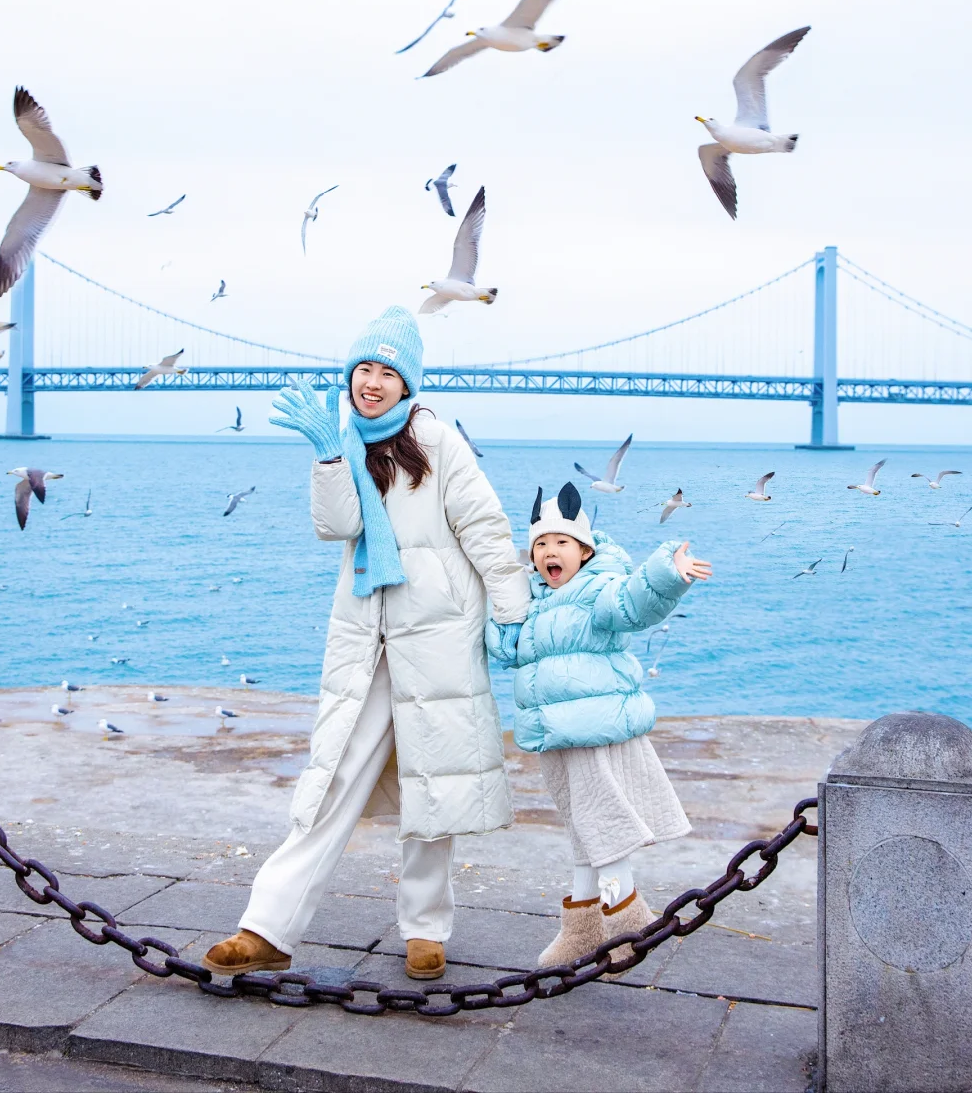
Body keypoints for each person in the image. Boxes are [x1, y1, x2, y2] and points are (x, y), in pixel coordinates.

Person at [203, 306, 529, 982]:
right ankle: (268, 927)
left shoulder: (437, 442)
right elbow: (337, 526)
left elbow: (486, 528)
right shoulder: (346, 440)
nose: (372, 383)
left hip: (437, 637)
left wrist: (510, 608)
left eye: (386, 372)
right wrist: (327, 456)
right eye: (363, 370)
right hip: (367, 639)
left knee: (432, 786)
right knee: (331, 780)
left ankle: (425, 930)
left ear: (409, 384)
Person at [486, 481, 711, 966]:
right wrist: (501, 606)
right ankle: (583, 928)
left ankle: (631, 921)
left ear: (584, 551)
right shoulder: (534, 598)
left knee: (601, 824)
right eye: (541, 545)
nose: (550, 551)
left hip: (594, 728)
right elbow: (504, 651)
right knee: (583, 830)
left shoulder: (597, 589)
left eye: (561, 543)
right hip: (553, 734)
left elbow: (632, 603)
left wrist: (666, 575)